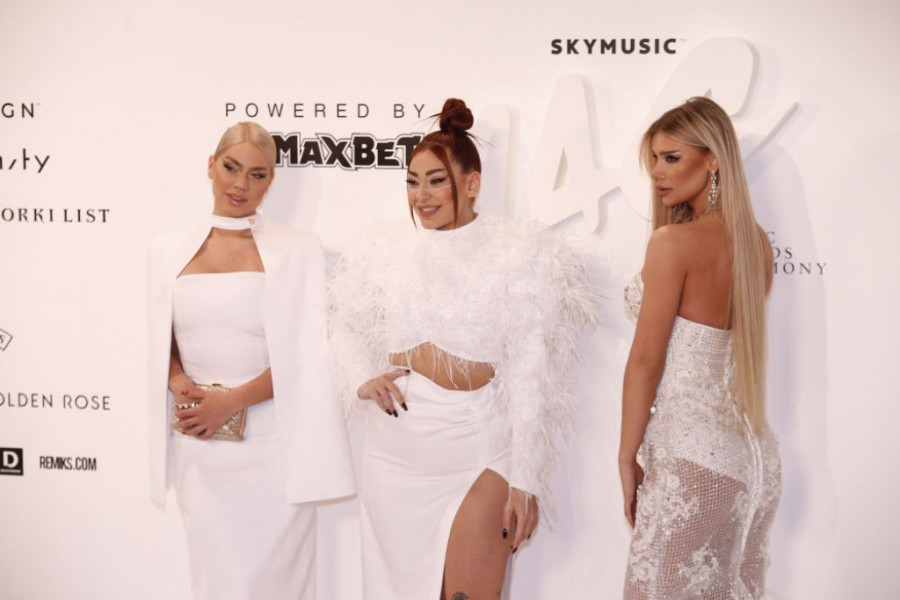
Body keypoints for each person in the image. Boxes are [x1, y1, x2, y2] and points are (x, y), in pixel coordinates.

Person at [329, 98, 595, 599]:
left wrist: (525, 479)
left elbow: (530, 372)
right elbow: (340, 322)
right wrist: (361, 375)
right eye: (412, 181)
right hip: (395, 456)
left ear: (472, 183)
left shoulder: (520, 255)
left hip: (477, 449)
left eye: (436, 180)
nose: (421, 195)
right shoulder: (381, 253)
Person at [147, 122, 355, 600]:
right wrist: (179, 382)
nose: (241, 184)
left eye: (257, 174)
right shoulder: (167, 251)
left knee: (276, 585)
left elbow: (307, 354)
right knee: (217, 582)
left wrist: (231, 402)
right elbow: (160, 339)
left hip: (275, 447)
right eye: (231, 167)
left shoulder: (298, 249)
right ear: (211, 166)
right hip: (202, 447)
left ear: (271, 181)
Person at [619, 97, 782, 599]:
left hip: (689, 461)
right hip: (752, 460)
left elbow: (646, 362)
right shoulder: (756, 244)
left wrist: (626, 456)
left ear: (713, 160)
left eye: (672, 157)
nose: (657, 172)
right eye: (654, 158)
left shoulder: (672, 242)